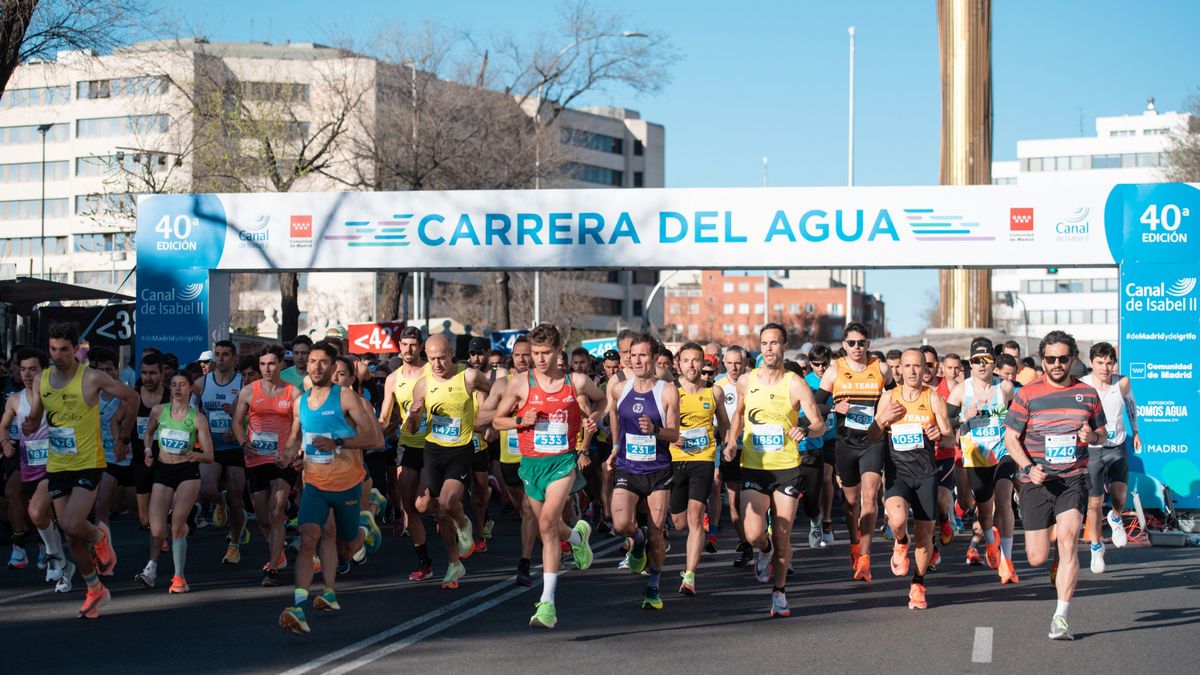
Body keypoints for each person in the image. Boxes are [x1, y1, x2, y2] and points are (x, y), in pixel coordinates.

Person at [490, 324, 604, 628]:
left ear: (558, 351)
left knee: (546, 524)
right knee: (551, 526)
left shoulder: (576, 381)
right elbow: (497, 421)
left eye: (545, 353)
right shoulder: (518, 385)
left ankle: (548, 603)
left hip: (563, 463)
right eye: (535, 353)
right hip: (531, 465)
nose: (539, 359)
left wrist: (594, 418)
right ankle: (578, 536)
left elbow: (602, 399)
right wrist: (519, 419)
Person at [23, 324, 138, 618]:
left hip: (88, 462)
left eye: (64, 349)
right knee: (71, 535)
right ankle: (95, 589)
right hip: (58, 464)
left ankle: (100, 538)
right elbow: (37, 415)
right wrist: (30, 425)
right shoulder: (42, 379)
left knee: (73, 524)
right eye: (52, 349)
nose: (57, 355)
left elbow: (132, 398)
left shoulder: (92, 378)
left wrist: (124, 437)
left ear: (76, 349)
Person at [1004, 330, 1106, 640]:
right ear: (1043, 360)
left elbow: (1103, 434)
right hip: (1037, 480)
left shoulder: (1088, 394)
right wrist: (1027, 467)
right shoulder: (1027, 394)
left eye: (1063, 358)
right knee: (1036, 557)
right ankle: (1056, 559)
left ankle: (1060, 617)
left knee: (1069, 537)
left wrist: (1093, 438)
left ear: (1073, 359)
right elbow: (1010, 438)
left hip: (1073, 477)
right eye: (1051, 359)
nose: (1057, 364)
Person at [278, 341, 384, 635]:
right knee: (310, 535)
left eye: (322, 362)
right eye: (311, 361)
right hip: (314, 481)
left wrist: (338, 442)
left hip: (348, 483)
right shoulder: (301, 402)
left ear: (332, 365)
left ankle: (367, 525)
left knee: (347, 547)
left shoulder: (347, 398)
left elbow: (375, 441)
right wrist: (291, 456)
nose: (315, 367)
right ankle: (300, 605)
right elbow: (299, 438)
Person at [725, 324, 826, 617]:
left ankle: (779, 592)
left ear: (784, 346)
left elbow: (818, 422)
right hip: (755, 467)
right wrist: (732, 441)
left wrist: (805, 429)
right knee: (753, 532)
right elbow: (739, 415)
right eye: (764, 343)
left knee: (783, 536)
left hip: (786, 468)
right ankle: (763, 549)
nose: (769, 348)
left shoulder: (795, 383)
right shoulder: (746, 380)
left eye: (774, 343)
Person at [405, 334, 493, 589]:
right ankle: (455, 563)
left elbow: (496, 394)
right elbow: (411, 430)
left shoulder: (469, 376)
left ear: (451, 353)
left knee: (446, 501)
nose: (437, 364)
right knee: (425, 507)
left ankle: (464, 526)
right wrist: (413, 414)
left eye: (442, 358)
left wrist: (490, 421)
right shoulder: (422, 385)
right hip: (433, 451)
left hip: (460, 451)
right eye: (431, 359)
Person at [869, 349, 952, 609]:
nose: (913, 371)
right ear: (900, 370)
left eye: (918, 366)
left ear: (925, 369)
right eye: (908, 366)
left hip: (926, 474)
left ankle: (918, 583)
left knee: (925, 535)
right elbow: (871, 436)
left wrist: (939, 433)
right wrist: (883, 420)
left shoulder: (933, 397)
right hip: (898, 473)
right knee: (898, 520)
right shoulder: (889, 397)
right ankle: (901, 541)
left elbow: (950, 437)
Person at [607, 332, 680, 610]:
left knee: (656, 533)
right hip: (628, 466)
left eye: (642, 355)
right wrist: (615, 446)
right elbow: (613, 414)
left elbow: (674, 434)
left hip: (658, 471)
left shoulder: (666, 390)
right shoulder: (618, 387)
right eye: (632, 355)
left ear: (653, 358)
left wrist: (656, 430)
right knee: (621, 524)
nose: (636, 360)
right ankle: (635, 544)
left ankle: (654, 586)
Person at [817, 322, 893, 582]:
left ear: (868, 344)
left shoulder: (881, 368)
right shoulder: (834, 370)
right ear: (844, 345)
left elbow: (896, 397)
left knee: (870, 497)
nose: (857, 347)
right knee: (851, 503)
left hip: (873, 440)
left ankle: (865, 555)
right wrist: (834, 409)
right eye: (852, 343)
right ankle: (854, 543)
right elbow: (816, 404)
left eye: (861, 342)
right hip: (845, 443)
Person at [946, 337, 1017, 582]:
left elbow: (1020, 415)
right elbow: (944, 423)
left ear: (994, 362)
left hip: (1002, 451)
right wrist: (962, 418)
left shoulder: (1005, 388)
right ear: (971, 363)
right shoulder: (960, 391)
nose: (982, 365)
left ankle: (1007, 561)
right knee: (985, 513)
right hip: (976, 457)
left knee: (1005, 499)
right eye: (977, 360)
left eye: (987, 360)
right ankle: (990, 542)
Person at [137, 369, 214, 592]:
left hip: (187, 472)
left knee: (177, 526)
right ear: (169, 388)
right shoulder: (158, 411)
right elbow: (148, 434)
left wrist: (197, 455)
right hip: (163, 470)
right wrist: (147, 451)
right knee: (156, 528)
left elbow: (209, 455)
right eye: (174, 385)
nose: (178, 389)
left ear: (190, 388)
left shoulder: (197, 418)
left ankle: (179, 577)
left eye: (182, 384)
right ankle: (151, 570)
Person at [0, 347, 69, 588]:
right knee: (42, 516)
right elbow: (4, 426)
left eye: (33, 369)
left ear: (44, 370)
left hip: (57, 464)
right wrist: (5, 442)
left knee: (41, 513)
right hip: (29, 464)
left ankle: (54, 556)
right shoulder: (15, 400)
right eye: (23, 369)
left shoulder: (55, 396)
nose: (28, 374)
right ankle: (59, 557)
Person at [232, 345, 299, 586]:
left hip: (283, 460)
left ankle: (272, 569)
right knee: (261, 518)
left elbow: (299, 426)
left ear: (282, 364)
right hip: (256, 459)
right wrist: (242, 443)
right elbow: (237, 422)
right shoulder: (249, 391)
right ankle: (278, 552)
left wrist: (292, 451)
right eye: (262, 364)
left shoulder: (294, 392)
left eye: (271, 363)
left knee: (275, 510)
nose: (267, 369)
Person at [475, 336, 539, 586]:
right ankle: (563, 539)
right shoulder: (503, 385)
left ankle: (525, 562)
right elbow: (480, 419)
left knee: (530, 509)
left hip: (536, 456)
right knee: (527, 512)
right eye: (518, 354)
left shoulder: (542, 384)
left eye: (527, 354)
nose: (523, 359)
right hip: (509, 457)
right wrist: (510, 413)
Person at [670, 343, 730, 596]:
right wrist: (669, 437)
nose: (692, 366)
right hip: (674, 460)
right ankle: (689, 566)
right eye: (686, 361)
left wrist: (729, 444)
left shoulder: (714, 392)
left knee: (696, 516)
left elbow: (725, 423)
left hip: (703, 459)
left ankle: (690, 575)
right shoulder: (670, 392)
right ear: (679, 364)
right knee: (679, 523)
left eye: (696, 361)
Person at [377, 326, 435, 580]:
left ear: (421, 347)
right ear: (399, 346)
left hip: (434, 444)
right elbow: (385, 418)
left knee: (423, 505)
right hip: (407, 444)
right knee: (409, 508)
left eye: (413, 345)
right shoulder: (393, 378)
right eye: (404, 345)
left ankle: (451, 512)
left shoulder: (433, 372)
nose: (408, 350)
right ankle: (424, 563)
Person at [1080, 342, 1138, 573]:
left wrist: (1137, 431)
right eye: (1100, 363)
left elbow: (1132, 406)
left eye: (1109, 363)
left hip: (1117, 445)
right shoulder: (1082, 385)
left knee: (1119, 497)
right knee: (1093, 503)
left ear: (1114, 363)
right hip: (1093, 449)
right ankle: (1096, 548)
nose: (1105, 368)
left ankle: (1115, 517)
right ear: (1092, 363)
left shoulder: (1121, 382)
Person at [195, 340, 247, 560]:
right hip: (212, 445)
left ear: (235, 358)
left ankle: (234, 543)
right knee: (206, 489)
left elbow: (255, 414)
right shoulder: (201, 383)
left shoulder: (244, 383)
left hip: (235, 446)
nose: (221, 359)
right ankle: (219, 501)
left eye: (226, 354)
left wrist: (239, 427)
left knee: (236, 500)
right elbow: (190, 413)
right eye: (218, 354)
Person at [714, 345, 752, 566]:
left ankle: (772, 548)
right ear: (724, 363)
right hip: (730, 447)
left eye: (738, 362)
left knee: (761, 501)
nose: (734, 367)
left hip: (755, 447)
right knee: (735, 502)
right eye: (730, 362)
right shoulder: (718, 387)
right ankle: (746, 545)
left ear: (745, 363)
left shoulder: (754, 382)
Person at [88, 348, 133, 529]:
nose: (105, 374)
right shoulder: (92, 395)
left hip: (128, 458)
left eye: (109, 370)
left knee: (140, 514)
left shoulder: (127, 394)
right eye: (101, 370)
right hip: (105, 458)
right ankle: (102, 549)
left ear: (117, 369)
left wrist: (122, 442)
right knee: (101, 505)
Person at [131, 354, 170, 532]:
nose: (148, 377)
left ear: (162, 374)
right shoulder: (133, 395)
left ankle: (161, 543)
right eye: (144, 372)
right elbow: (117, 420)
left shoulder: (171, 396)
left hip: (165, 461)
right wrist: (121, 440)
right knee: (144, 519)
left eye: (153, 373)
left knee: (159, 513)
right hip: (140, 460)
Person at [805, 344, 838, 548]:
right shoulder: (805, 382)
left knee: (827, 479)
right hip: (812, 437)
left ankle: (827, 521)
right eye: (815, 364)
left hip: (832, 437)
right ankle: (815, 518)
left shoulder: (837, 379)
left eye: (824, 364)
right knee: (814, 486)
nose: (820, 368)